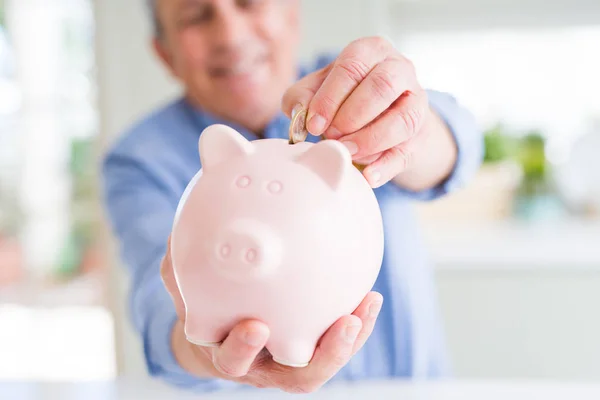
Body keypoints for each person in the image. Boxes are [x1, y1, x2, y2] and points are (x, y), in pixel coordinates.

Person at [101, 0, 483, 394]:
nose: (230, 36)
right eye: (196, 16)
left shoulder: (356, 93)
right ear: (166, 54)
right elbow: (157, 297)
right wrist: (202, 348)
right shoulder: (141, 158)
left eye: (248, 3)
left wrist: (410, 133)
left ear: (290, 13)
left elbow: (461, 142)